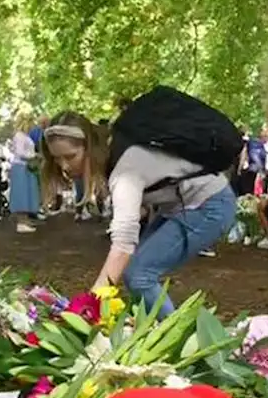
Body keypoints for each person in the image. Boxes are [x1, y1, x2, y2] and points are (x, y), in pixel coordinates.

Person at [41, 110, 234, 317]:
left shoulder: (124, 172)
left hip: (209, 203)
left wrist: (91, 304)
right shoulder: (115, 152)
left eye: (70, 156)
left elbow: (123, 245)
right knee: (135, 272)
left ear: (90, 147)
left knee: (140, 275)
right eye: (57, 159)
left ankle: (180, 341)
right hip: (181, 205)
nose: (64, 166)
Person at [7, 116, 41, 233]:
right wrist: (34, 156)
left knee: (28, 194)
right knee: (21, 194)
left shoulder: (26, 136)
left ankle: (25, 220)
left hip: (27, 167)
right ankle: (21, 222)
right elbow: (20, 152)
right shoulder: (19, 136)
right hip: (21, 166)